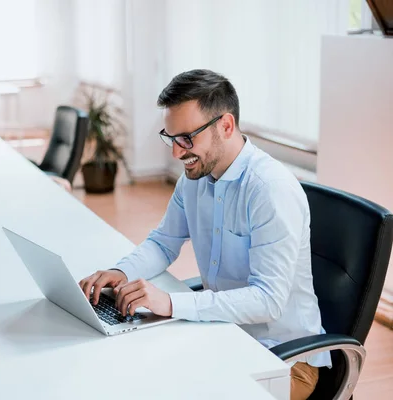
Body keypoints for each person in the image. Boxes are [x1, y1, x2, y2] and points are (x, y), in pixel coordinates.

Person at [78, 69, 330, 400]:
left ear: (226, 126)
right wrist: (122, 271)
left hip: (283, 359)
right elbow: (163, 243)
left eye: (186, 138)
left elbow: (267, 301)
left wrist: (169, 302)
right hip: (222, 333)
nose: (176, 153)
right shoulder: (194, 179)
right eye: (170, 138)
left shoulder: (270, 190)